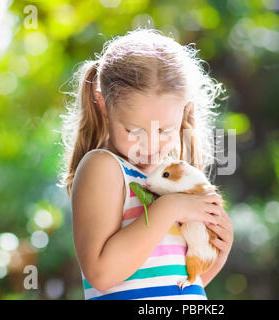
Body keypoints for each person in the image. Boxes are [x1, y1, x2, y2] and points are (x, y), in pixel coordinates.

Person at [58, 28, 234, 300]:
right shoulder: (104, 168)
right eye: (134, 131)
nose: (150, 146)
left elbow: (169, 285)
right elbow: (102, 275)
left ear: (184, 110)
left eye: (164, 131)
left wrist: (217, 256)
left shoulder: (170, 181)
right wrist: (169, 209)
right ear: (104, 106)